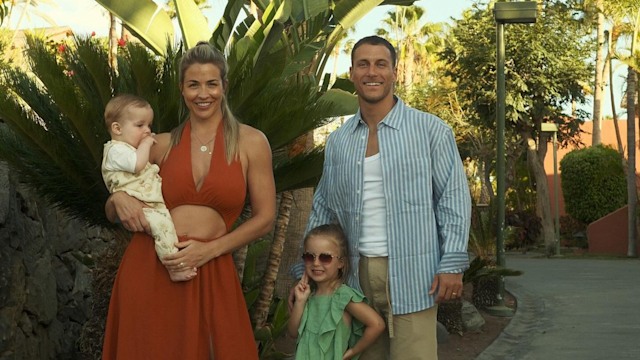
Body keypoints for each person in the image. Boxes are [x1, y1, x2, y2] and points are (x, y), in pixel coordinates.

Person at [290, 36, 472, 359]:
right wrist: (308, 268)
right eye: (363, 64)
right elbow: (324, 208)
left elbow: (453, 199)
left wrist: (453, 261)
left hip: (415, 275)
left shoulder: (431, 131)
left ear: (394, 73)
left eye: (380, 64)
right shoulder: (338, 142)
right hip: (354, 278)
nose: (371, 72)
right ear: (352, 73)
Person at [102, 41, 276, 359]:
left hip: (211, 267)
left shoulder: (252, 143)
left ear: (224, 86)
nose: (203, 93)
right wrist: (118, 199)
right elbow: (115, 196)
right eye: (193, 84)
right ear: (182, 89)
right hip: (152, 268)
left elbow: (265, 218)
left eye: (211, 84)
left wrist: (208, 250)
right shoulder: (160, 144)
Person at [101, 94, 195, 282]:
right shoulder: (116, 150)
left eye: (149, 126)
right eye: (139, 125)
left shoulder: (128, 149)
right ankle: (173, 265)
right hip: (140, 203)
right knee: (162, 227)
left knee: (164, 226)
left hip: (148, 202)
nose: (147, 131)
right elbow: (137, 164)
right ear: (117, 128)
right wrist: (146, 144)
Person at [287, 224, 385, 360]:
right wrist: (300, 301)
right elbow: (293, 332)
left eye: (325, 257)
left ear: (341, 263)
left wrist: (353, 351)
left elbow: (377, 324)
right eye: (310, 256)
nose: (316, 263)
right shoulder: (309, 294)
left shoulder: (342, 296)